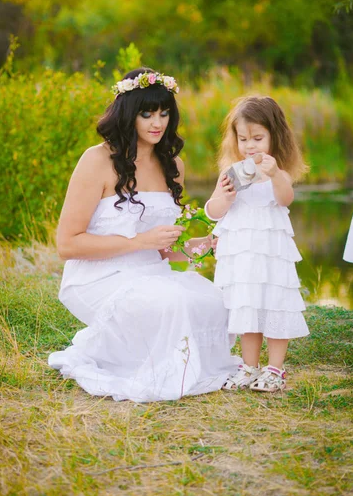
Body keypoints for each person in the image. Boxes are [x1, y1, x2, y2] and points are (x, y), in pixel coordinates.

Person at [48, 68, 239, 402]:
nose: (158, 122)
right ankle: (146, 364)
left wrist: (207, 245)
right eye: (147, 113)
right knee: (173, 302)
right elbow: (67, 244)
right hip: (99, 275)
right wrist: (139, 242)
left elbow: (168, 251)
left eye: (165, 113)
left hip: (152, 272)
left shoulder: (172, 165)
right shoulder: (97, 160)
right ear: (128, 113)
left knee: (214, 301)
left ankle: (187, 365)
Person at [205, 96, 309, 392]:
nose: (250, 146)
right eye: (243, 139)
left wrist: (275, 174)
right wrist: (225, 198)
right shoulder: (231, 174)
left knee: (275, 305)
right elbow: (212, 211)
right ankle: (249, 366)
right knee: (246, 307)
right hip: (241, 255)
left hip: (270, 253)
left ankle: (274, 369)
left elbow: (285, 198)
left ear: (275, 137)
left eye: (258, 138)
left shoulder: (279, 174)